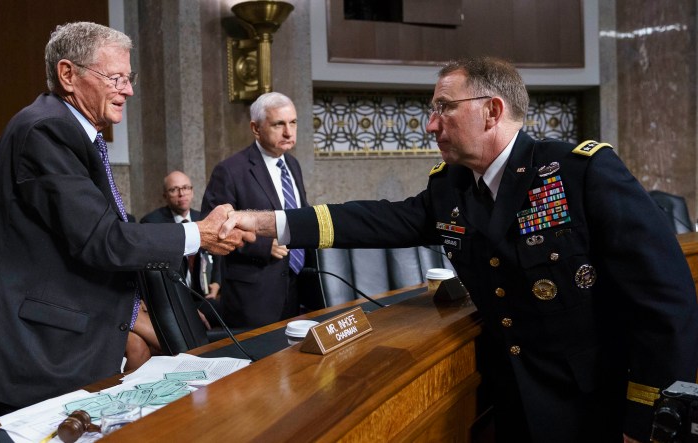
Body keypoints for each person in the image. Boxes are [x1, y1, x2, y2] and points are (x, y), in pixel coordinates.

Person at [221, 57, 698, 442]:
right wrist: (263, 221)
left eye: (444, 108)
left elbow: (667, 301)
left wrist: (647, 420)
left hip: (599, 408)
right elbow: (375, 220)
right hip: (512, 404)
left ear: (491, 110)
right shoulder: (450, 188)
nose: (431, 125)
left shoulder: (580, 173)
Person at [0, 22, 251, 413]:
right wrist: (198, 234)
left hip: (65, 327)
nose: (129, 90)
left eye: (130, 77)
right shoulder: (46, 130)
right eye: (116, 78)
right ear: (68, 74)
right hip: (33, 345)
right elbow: (102, 240)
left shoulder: (74, 130)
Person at [202, 92, 311, 328]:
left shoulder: (292, 164)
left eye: (293, 123)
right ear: (255, 128)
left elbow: (299, 214)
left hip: (295, 288)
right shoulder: (230, 171)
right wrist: (262, 245)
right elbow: (213, 228)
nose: (288, 132)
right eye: (278, 124)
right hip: (254, 294)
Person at [141, 170, 221, 329]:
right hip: (172, 300)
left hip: (204, 295)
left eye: (186, 188)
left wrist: (217, 283)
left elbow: (219, 255)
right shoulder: (152, 223)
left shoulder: (205, 219)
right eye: (174, 189)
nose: (181, 193)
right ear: (165, 195)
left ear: (192, 191)